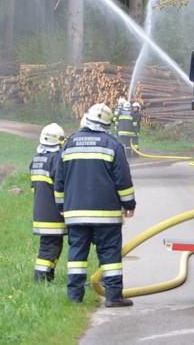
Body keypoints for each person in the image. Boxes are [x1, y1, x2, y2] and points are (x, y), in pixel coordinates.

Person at [54, 103, 136, 307]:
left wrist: (61, 206)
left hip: (75, 213)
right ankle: (113, 296)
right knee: (110, 254)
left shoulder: (69, 144)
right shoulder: (113, 144)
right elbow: (123, 179)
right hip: (106, 214)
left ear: (87, 119)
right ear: (108, 124)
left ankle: (74, 297)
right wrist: (129, 203)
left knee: (77, 255)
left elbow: (59, 180)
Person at [30, 123, 67, 283]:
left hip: (41, 211)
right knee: (50, 246)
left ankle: (48, 276)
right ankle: (40, 279)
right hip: (53, 212)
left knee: (53, 244)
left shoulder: (37, 159)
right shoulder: (56, 159)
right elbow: (61, 185)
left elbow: (34, 188)